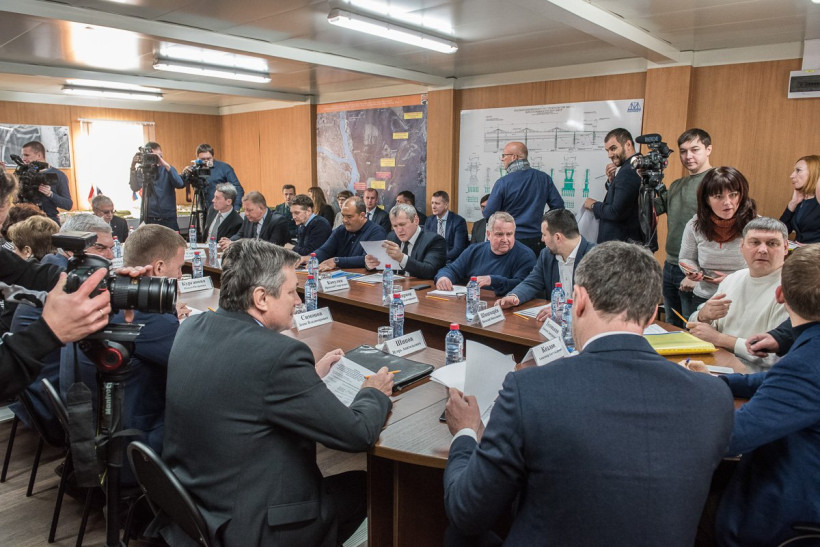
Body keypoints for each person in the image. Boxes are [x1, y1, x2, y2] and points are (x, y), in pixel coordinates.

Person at [443, 241, 733, 546]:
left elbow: (467, 511)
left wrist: (465, 432)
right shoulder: (713, 397)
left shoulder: (529, 390)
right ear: (651, 315)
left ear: (578, 301)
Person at [160, 240, 394, 546]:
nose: (298, 300)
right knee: (371, 484)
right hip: (255, 527)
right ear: (261, 298)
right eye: (291, 291)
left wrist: (307, 378)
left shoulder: (192, 327)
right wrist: (373, 392)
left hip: (196, 505)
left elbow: (242, 382)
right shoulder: (280, 354)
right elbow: (357, 434)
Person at [699, 244, 820, 546]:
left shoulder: (807, 363)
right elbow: (776, 381)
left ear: (780, 295)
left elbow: (729, 438)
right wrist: (715, 381)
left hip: (792, 514)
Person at [59, 224, 186, 484]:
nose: (181, 276)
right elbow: (196, 367)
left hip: (91, 437)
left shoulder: (99, 299)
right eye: (179, 268)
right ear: (159, 268)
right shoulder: (147, 315)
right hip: (130, 447)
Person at [686, 217, 790, 371]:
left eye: (772, 243)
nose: (762, 250)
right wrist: (703, 316)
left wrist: (719, 339)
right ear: (742, 246)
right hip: (718, 363)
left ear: (786, 248)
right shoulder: (733, 279)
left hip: (757, 376)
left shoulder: (792, 289)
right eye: (755, 242)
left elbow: (775, 356)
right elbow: (694, 324)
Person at [677, 167, 757, 319]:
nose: (727, 202)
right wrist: (692, 271)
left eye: (733, 195)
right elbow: (686, 258)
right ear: (707, 200)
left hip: (742, 297)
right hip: (704, 297)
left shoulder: (755, 225)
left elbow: (767, 267)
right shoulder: (695, 225)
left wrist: (733, 280)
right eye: (719, 197)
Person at [654, 128, 714, 327]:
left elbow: (720, 232)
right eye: (683, 151)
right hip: (670, 264)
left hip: (695, 269)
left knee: (693, 327)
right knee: (671, 324)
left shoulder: (716, 182)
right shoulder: (677, 185)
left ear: (708, 149)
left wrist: (699, 274)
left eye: (695, 150)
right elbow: (651, 210)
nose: (688, 156)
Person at [496, 208, 595, 320]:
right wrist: (514, 296)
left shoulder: (596, 257)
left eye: (544, 235)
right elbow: (532, 282)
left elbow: (600, 301)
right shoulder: (546, 255)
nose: (542, 239)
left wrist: (565, 310)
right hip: (553, 322)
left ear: (557, 237)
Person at [484, 141, 564, 255]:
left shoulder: (503, 182)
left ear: (514, 157)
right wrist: (541, 222)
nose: (502, 159)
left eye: (504, 155)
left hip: (510, 240)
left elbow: (488, 213)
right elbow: (558, 207)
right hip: (537, 240)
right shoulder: (544, 178)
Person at [434, 212, 535, 296]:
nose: (505, 239)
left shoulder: (525, 256)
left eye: (509, 234)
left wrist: (492, 280)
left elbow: (524, 286)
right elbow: (452, 269)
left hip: (507, 306)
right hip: (474, 302)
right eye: (499, 234)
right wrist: (444, 277)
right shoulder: (474, 250)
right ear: (488, 234)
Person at [583, 128, 643, 245]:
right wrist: (612, 181)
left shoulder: (628, 172)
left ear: (628, 144)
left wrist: (594, 205)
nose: (610, 155)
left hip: (621, 245)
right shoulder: (635, 166)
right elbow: (625, 198)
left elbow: (616, 212)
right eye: (607, 150)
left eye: (613, 148)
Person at [364, 203, 446, 278]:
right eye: (395, 226)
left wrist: (401, 258)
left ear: (416, 220)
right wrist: (371, 264)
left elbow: (430, 271)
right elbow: (385, 266)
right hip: (396, 285)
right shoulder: (391, 236)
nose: (399, 230)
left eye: (402, 224)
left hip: (419, 287)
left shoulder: (434, 240)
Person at [309, 196, 387, 271]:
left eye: (349, 217)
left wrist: (337, 261)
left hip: (364, 277)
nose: (344, 220)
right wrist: (311, 258)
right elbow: (325, 250)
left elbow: (368, 259)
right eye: (343, 216)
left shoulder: (376, 232)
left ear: (362, 216)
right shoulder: (341, 230)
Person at [129, 141, 185, 231]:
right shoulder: (143, 171)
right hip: (149, 218)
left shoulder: (167, 169)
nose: (153, 159)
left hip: (168, 219)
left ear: (161, 155)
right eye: (150, 156)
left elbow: (180, 184)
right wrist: (133, 166)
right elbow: (135, 187)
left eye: (155, 156)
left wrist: (165, 164)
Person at [20, 141, 73, 224]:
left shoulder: (59, 175)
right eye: (23, 155)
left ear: (39, 155)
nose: (23, 159)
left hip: (50, 222)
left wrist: (50, 194)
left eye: (27, 155)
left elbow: (68, 205)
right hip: (27, 222)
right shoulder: (23, 174)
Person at [41, 214, 115, 269]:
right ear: (71, 248)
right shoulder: (62, 277)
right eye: (100, 248)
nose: (111, 256)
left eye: (111, 248)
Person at [219, 191, 288, 250]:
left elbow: (270, 248)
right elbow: (240, 235)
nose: (246, 213)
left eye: (249, 210)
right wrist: (229, 241)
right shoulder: (249, 218)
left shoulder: (278, 221)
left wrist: (236, 244)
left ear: (261, 208)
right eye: (244, 209)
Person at [191, 143, 244, 211]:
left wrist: (236, 208)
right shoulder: (194, 170)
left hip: (222, 210)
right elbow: (181, 184)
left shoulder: (224, 168)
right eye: (203, 159)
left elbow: (238, 188)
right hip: (203, 210)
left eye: (208, 158)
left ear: (213, 157)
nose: (206, 161)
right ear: (197, 158)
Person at [780, 154, 819, 244]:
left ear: (814, 173)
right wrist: (792, 204)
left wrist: (812, 248)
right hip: (799, 252)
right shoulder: (801, 200)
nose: (792, 175)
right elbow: (780, 232)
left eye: (798, 170)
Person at [425, 191, 468, 263]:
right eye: (432, 203)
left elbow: (458, 249)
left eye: (437, 203)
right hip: (432, 261)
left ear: (446, 205)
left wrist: (440, 259)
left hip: (450, 261)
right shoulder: (429, 220)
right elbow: (425, 244)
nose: (433, 207)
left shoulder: (458, 221)